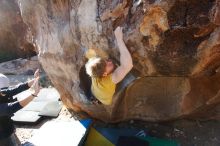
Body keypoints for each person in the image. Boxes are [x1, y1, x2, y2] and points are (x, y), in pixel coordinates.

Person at [85, 26, 133, 105]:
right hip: (103, 100)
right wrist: (119, 39)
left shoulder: (95, 70)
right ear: (104, 74)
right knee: (131, 77)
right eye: (107, 65)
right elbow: (128, 65)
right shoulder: (108, 82)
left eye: (105, 61)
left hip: (94, 91)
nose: (109, 62)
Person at [0, 70, 40, 146]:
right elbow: (12, 107)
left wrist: (35, 79)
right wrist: (34, 94)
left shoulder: (1, 92)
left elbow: (14, 90)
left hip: (7, 127)